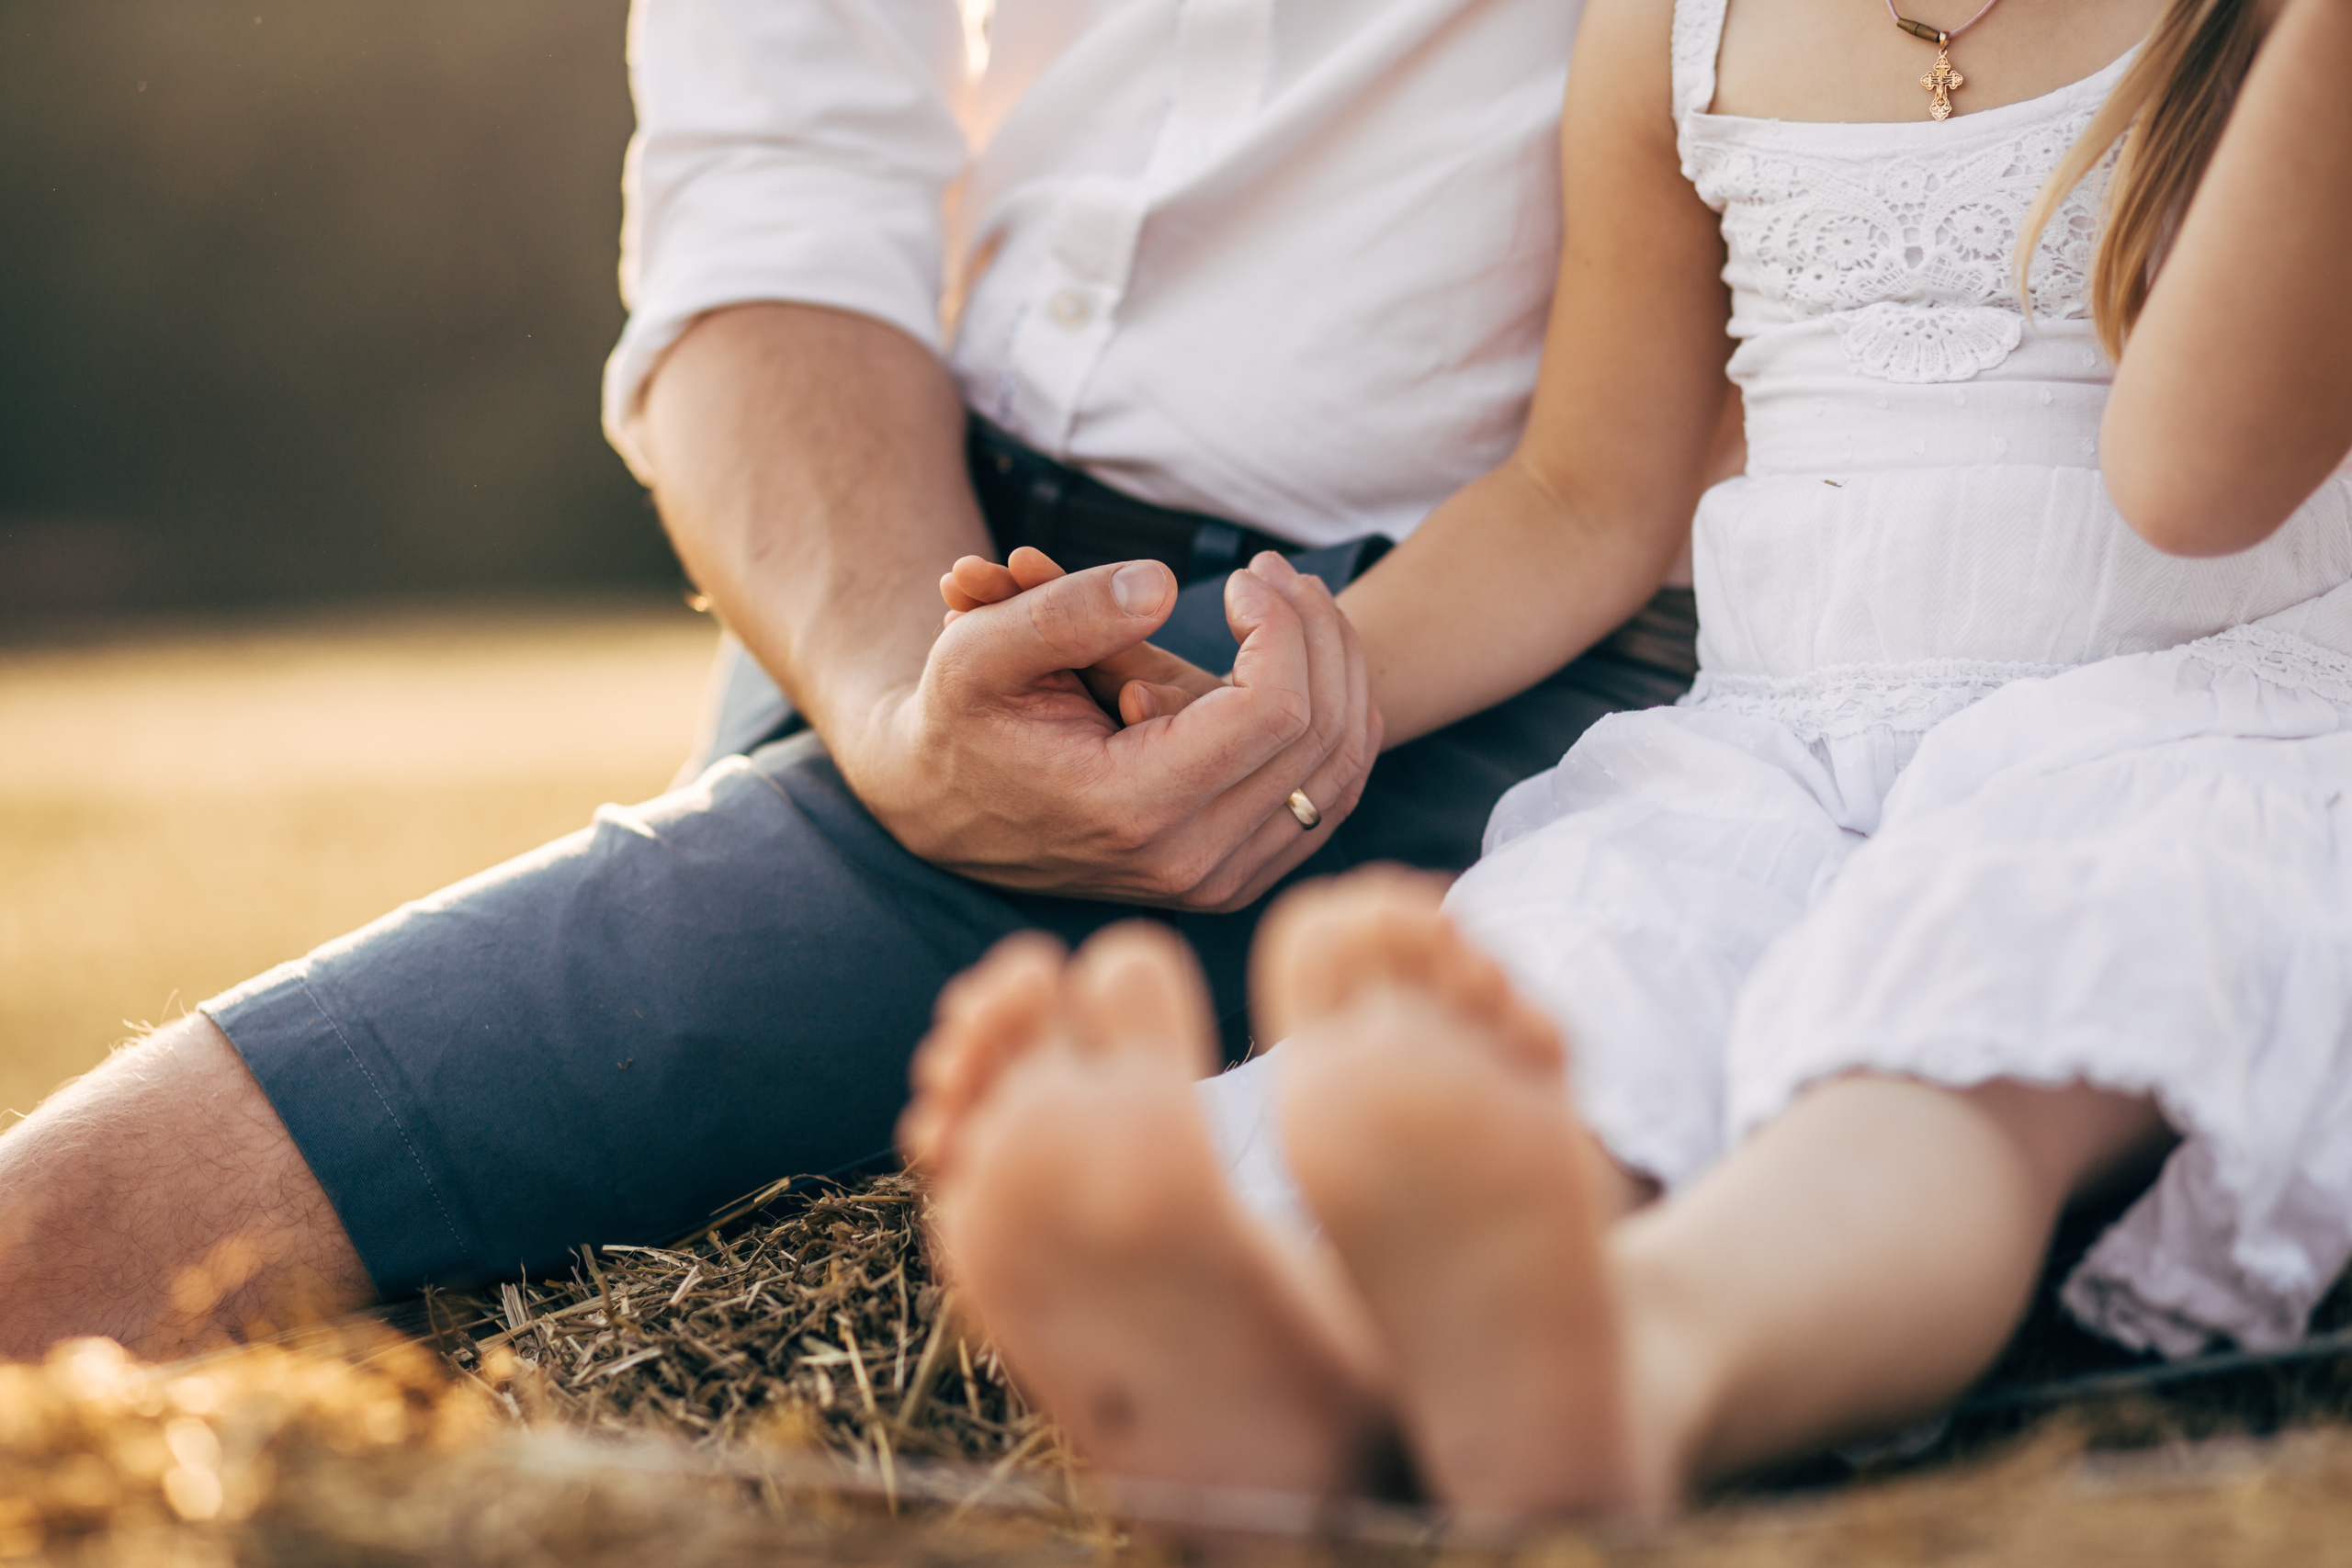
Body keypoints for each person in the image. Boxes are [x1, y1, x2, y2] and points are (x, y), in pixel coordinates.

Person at [0, 0, 1711, 1361]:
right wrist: (903, 686)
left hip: (1422, 646)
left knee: (68, 1243)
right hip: (916, 552)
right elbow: (767, 182)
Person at [900, 0, 2352, 1517]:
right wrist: (1292, 693)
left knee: (1948, 1055)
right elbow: (1586, 501)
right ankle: (1311, 1377)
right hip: (1781, 739)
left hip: (2183, 732)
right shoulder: (1679, 23)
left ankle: (1641, 1373)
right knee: (1597, 967)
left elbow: (2193, 485)